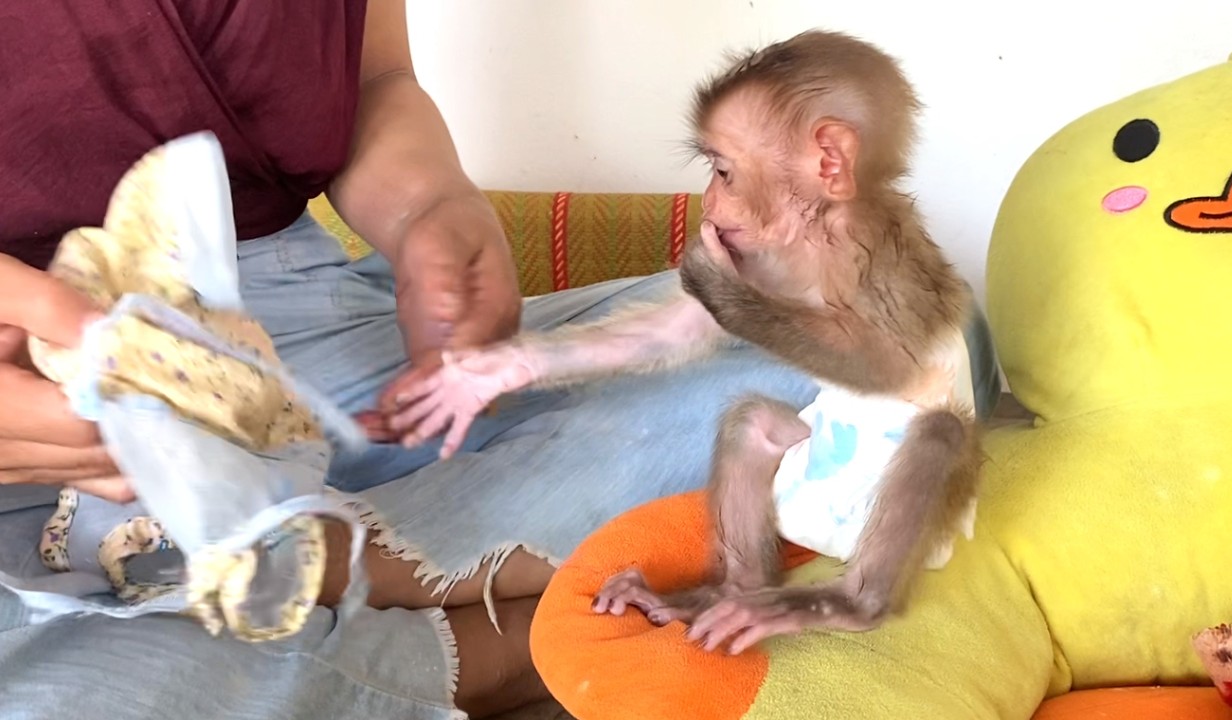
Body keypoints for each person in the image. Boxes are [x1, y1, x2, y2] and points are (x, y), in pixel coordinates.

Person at [0, 2, 1003, 718]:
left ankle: (319, 557)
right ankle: (517, 638)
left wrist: (429, 208)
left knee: (924, 350)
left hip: (304, 334)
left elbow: (374, 80)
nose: (714, 203)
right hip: (43, 403)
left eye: (727, 172)